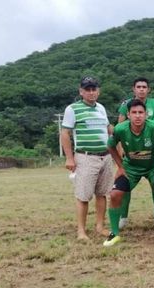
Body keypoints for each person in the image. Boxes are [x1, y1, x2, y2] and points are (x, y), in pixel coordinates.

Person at [104, 99, 154, 246]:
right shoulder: (120, 129)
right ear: (128, 115)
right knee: (115, 194)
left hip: (153, 166)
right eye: (134, 113)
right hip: (130, 168)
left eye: (141, 112)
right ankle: (114, 233)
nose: (137, 116)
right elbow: (110, 146)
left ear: (146, 114)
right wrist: (120, 167)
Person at [60, 76, 114, 240]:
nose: (91, 92)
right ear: (81, 91)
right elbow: (65, 133)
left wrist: (123, 129)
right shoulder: (73, 109)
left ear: (98, 91)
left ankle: (100, 226)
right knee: (83, 196)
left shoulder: (101, 108)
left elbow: (108, 128)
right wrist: (69, 158)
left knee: (102, 193)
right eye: (87, 89)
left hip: (105, 156)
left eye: (94, 89)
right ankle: (81, 231)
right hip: (85, 156)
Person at [116, 77, 154, 229]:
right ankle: (123, 217)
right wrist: (120, 148)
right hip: (131, 150)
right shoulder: (126, 105)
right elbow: (120, 126)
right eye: (139, 87)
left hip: (152, 151)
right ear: (134, 89)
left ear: (148, 89)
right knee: (125, 185)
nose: (142, 89)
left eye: (144, 87)